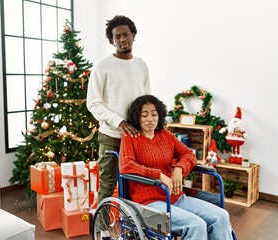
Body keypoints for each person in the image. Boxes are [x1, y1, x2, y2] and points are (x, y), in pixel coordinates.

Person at [119, 95, 233, 240]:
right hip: (149, 203)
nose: (150, 119)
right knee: (196, 225)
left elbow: (188, 154)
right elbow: (126, 166)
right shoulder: (130, 137)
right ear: (136, 117)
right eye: (144, 115)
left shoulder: (165, 135)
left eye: (154, 114)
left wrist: (179, 169)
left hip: (175, 197)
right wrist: (158, 175)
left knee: (221, 216)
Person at [87, 15, 151, 206]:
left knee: (135, 186)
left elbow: (147, 100)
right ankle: (103, 231)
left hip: (136, 138)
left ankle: (131, 228)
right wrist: (119, 121)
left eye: (126, 34)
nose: (122, 39)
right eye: (117, 37)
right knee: (107, 185)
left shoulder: (142, 65)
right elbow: (93, 103)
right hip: (110, 136)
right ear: (112, 41)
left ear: (133, 35)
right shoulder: (101, 67)